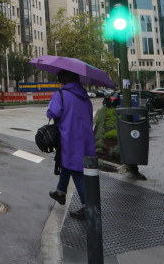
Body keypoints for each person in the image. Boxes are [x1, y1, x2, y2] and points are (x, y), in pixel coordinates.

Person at [47, 69, 96, 220]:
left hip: (69, 138)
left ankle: (87, 207)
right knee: (68, 164)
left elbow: (53, 113)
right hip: (86, 138)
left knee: (76, 171)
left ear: (62, 81)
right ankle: (60, 192)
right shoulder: (84, 96)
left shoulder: (60, 94)